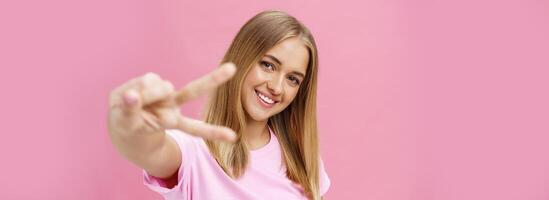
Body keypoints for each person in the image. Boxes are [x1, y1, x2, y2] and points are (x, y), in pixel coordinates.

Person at [108, 10, 330, 200]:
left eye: (293, 79)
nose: (277, 87)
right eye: (268, 65)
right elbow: (148, 148)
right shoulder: (191, 151)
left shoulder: (303, 161)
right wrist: (129, 127)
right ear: (242, 58)